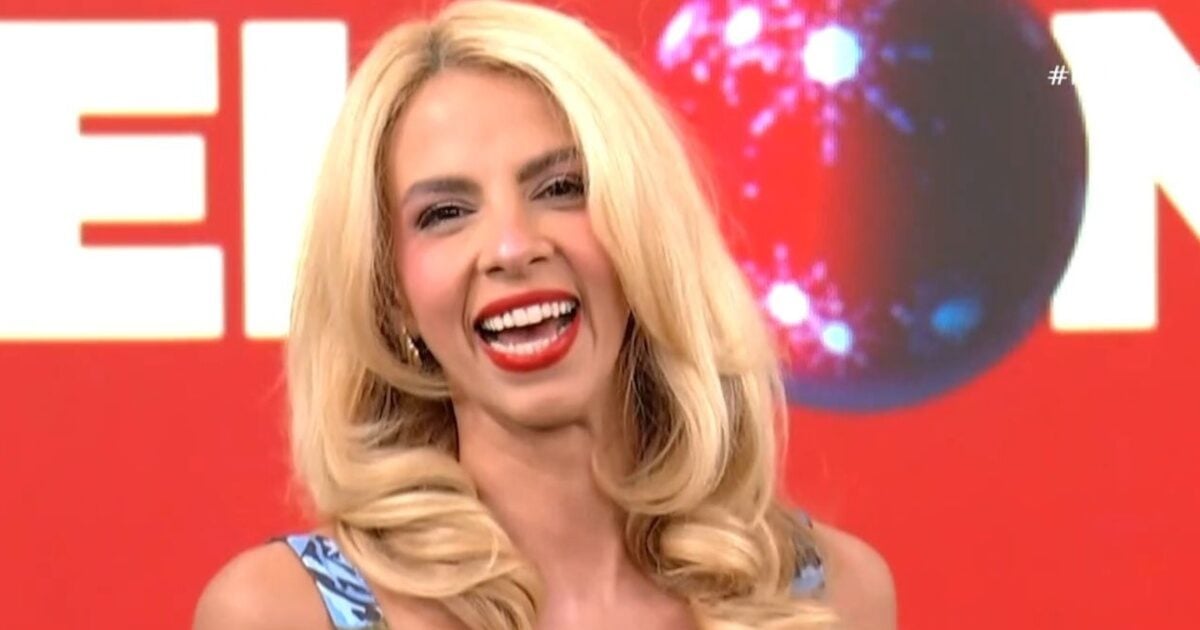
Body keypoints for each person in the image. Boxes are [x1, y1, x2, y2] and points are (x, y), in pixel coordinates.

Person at [193, 1, 896, 628]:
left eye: (561, 188)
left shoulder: (833, 596)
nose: (511, 247)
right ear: (391, 296)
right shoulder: (282, 613)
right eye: (445, 213)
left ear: (643, 233)